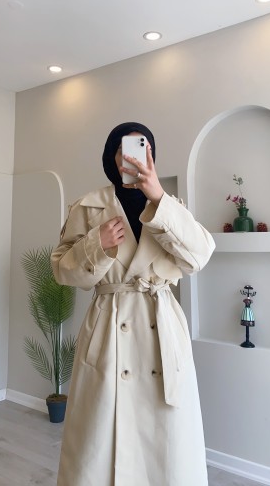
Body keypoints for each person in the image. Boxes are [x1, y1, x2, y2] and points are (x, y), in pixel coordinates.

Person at [51, 121, 215, 486]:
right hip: (108, 328)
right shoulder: (87, 207)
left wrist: (159, 199)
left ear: (151, 154)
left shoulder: (171, 207)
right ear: (111, 157)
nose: (133, 156)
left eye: (142, 147)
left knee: (166, 449)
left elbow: (199, 257)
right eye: (123, 149)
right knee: (99, 440)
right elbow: (62, 271)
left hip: (161, 330)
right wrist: (96, 245)